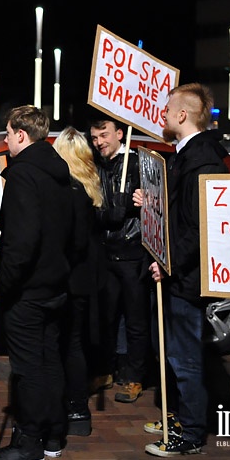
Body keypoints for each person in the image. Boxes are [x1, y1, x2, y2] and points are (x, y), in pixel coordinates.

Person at [140, 83, 228, 457]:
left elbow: (196, 228)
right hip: (177, 274)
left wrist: (169, 263)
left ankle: (191, 433)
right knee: (173, 353)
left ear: (181, 116)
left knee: (184, 357)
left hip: (185, 278)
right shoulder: (184, 156)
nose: (160, 114)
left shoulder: (200, 161)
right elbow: (178, 214)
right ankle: (178, 416)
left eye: (166, 109)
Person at [0, 105, 73, 460]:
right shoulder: (58, 171)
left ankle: (29, 441)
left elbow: (21, 241)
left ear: (22, 135)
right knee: (49, 359)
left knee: (29, 366)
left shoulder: (24, 175)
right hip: (54, 282)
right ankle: (52, 435)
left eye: (7, 134)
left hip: (29, 288)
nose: (5, 140)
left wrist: (2, 283)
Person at [89, 117, 152, 404]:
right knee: (107, 317)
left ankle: (134, 377)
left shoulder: (140, 163)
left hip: (133, 252)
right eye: (94, 137)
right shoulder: (96, 165)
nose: (99, 141)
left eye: (104, 135)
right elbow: (96, 210)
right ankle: (107, 370)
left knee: (136, 320)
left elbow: (153, 205)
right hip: (105, 253)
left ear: (119, 133)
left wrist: (136, 203)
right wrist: (112, 211)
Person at [52, 127, 106, 438]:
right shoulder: (91, 184)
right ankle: (77, 408)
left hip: (69, 278)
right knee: (75, 343)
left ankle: (71, 407)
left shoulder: (68, 190)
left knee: (65, 345)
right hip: (86, 278)